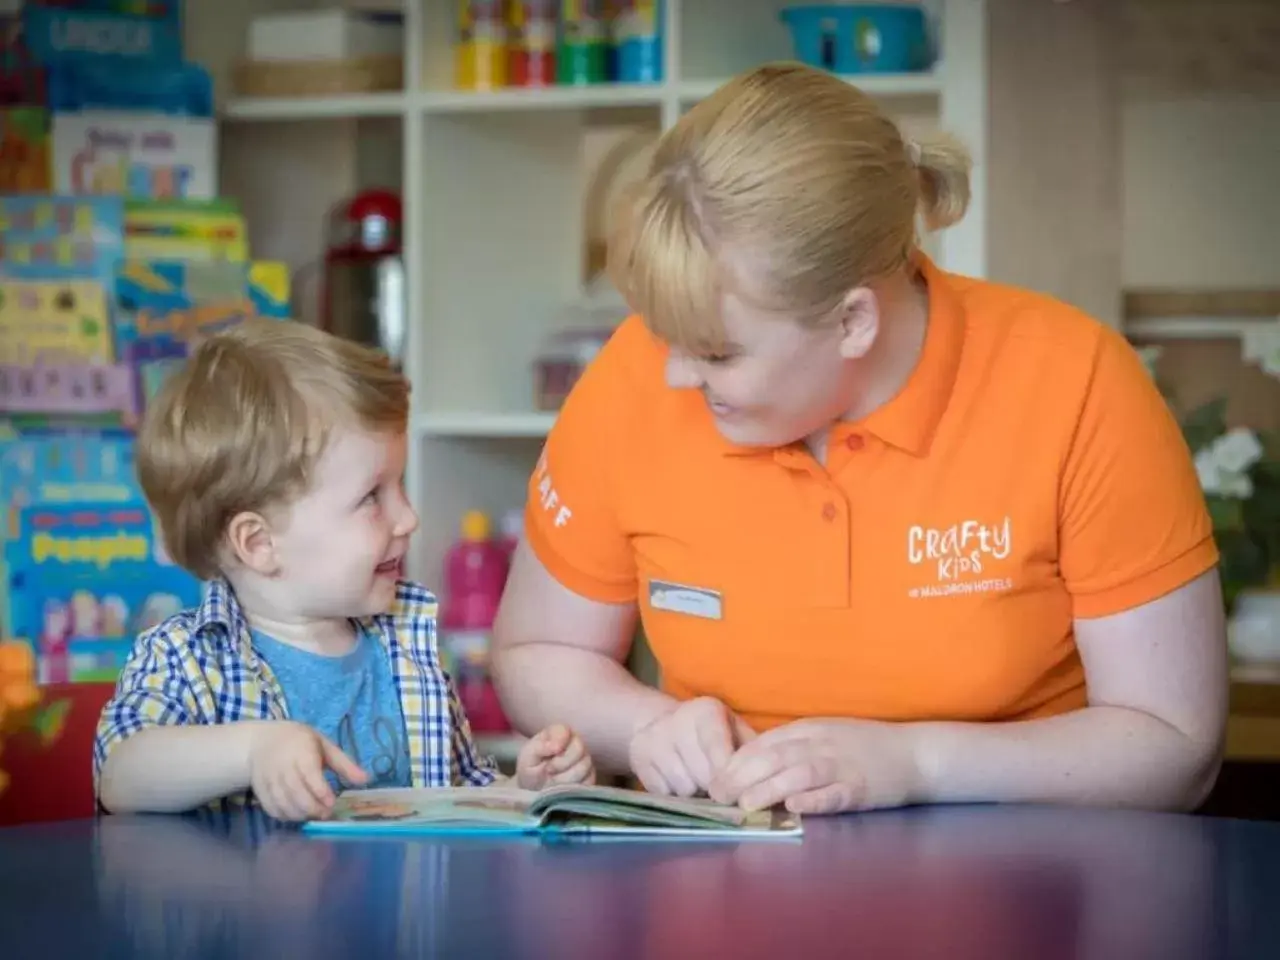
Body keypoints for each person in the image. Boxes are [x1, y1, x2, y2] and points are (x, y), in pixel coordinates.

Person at [491, 62, 1228, 816]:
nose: (675, 376)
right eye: (664, 335)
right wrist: (647, 726)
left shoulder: (1077, 381)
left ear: (852, 322)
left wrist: (916, 764)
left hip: (1018, 894)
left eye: (717, 353)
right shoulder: (634, 375)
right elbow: (535, 656)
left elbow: (1175, 747)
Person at [95, 321, 594, 822]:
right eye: (371, 497)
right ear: (260, 543)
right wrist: (253, 751)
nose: (409, 517)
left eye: (400, 486)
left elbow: (458, 792)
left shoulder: (405, 650)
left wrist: (525, 790)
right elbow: (120, 773)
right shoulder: (186, 657)